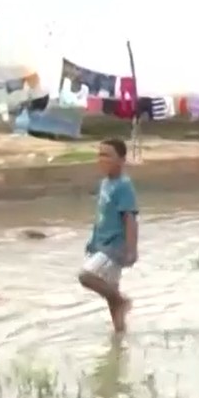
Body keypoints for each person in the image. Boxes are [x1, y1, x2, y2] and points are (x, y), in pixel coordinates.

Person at [78, 138, 139, 332]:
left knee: (86, 276)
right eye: (100, 155)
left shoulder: (124, 186)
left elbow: (130, 218)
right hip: (102, 243)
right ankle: (120, 341)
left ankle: (121, 301)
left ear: (121, 160)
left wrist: (131, 249)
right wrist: (93, 240)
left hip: (115, 246)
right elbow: (101, 215)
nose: (102, 159)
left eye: (107, 155)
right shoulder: (105, 183)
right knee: (112, 298)